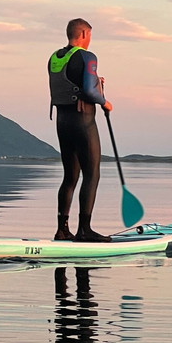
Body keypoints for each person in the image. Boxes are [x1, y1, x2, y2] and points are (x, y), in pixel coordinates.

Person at [48, 18, 113, 242]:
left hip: (62, 122)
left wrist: (95, 79)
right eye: (90, 35)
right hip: (83, 122)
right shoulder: (87, 56)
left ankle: (62, 230)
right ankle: (84, 230)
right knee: (92, 174)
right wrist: (104, 101)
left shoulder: (55, 57)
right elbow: (88, 91)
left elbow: (71, 82)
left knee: (70, 177)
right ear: (84, 33)